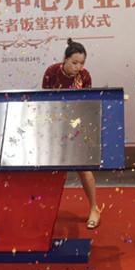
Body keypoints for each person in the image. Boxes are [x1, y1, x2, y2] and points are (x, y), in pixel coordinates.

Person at [42, 38, 101, 229]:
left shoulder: (85, 76)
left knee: (84, 169)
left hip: (76, 127)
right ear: (65, 59)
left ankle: (94, 208)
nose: (78, 67)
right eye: (74, 62)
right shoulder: (51, 72)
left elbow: (87, 104)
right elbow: (44, 103)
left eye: (81, 63)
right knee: (50, 172)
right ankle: (45, 212)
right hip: (55, 127)